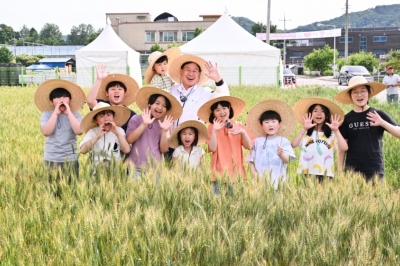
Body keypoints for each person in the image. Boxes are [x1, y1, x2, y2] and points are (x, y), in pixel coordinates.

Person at [335, 76, 400, 183]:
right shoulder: (346, 119)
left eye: (363, 91)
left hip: (374, 167)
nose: (359, 95)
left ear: (369, 94)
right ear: (350, 96)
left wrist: (382, 123)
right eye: (355, 92)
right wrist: (340, 170)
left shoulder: (378, 114)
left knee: (375, 198)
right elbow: (342, 148)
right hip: (352, 169)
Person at [197, 94, 252, 195]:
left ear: (230, 109)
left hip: (236, 175)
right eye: (217, 110)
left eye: (224, 108)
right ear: (213, 113)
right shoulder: (211, 127)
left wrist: (243, 133)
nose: (222, 112)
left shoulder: (239, 126)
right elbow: (212, 148)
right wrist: (214, 131)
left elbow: (249, 147)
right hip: (217, 174)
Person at [126, 86, 183, 178]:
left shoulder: (165, 124)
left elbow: (163, 150)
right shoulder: (136, 119)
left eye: (164, 106)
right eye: (157, 103)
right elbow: (129, 140)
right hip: (135, 168)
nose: (160, 107)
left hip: (155, 170)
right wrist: (144, 124)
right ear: (149, 104)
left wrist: (164, 131)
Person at [34, 79, 86, 181]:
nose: (61, 99)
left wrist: (68, 113)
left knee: (71, 188)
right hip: (51, 158)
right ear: (51, 102)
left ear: (70, 100)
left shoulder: (75, 114)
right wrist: (56, 113)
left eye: (65, 97)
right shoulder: (47, 114)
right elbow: (46, 132)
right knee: (52, 189)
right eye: (57, 97)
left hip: (71, 158)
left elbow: (79, 131)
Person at [291, 98, 348, 183]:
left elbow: (344, 148)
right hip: (306, 172)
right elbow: (294, 144)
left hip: (326, 174)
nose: (318, 113)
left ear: (327, 115)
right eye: (315, 111)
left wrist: (336, 130)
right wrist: (304, 128)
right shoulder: (305, 133)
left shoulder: (332, 134)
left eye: (322, 111)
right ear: (309, 114)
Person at [168, 54, 230, 128]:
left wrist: (218, 79)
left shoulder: (205, 92)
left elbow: (225, 99)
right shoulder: (170, 90)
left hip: (195, 137)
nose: (191, 74)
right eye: (188, 70)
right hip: (170, 137)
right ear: (181, 72)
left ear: (199, 74)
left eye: (195, 71)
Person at [246, 99, 296, 190]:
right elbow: (250, 161)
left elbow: (287, 160)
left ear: (279, 124)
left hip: (279, 183)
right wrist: (255, 176)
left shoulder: (283, 141)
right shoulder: (257, 142)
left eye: (273, 121)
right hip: (260, 183)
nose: (270, 125)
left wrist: (281, 154)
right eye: (266, 122)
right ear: (261, 126)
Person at [86, 64, 139, 132]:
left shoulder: (131, 114)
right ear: (107, 93)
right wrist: (99, 79)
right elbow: (90, 101)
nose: (116, 91)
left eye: (120, 89)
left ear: (125, 93)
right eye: (113, 89)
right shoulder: (102, 105)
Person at [79, 102, 131, 171]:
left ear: (113, 117)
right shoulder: (92, 132)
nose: (106, 119)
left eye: (109, 115)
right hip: (96, 172)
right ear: (95, 120)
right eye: (102, 116)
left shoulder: (119, 130)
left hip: (115, 172)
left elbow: (127, 150)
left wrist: (118, 134)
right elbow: (83, 150)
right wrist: (97, 136)